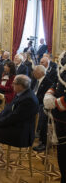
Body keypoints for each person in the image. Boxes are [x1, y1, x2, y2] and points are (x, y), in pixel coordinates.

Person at [43, 51, 66, 182]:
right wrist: (49, 94)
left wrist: (56, 103)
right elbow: (58, 82)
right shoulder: (64, 59)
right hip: (60, 118)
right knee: (62, 153)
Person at [31, 65, 53, 153]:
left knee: (42, 113)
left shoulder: (48, 82)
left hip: (41, 103)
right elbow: (31, 90)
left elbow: (44, 96)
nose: (33, 73)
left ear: (40, 73)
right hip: (34, 101)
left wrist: (33, 99)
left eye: (35, 72)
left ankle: (43, 142)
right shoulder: (35, 80)